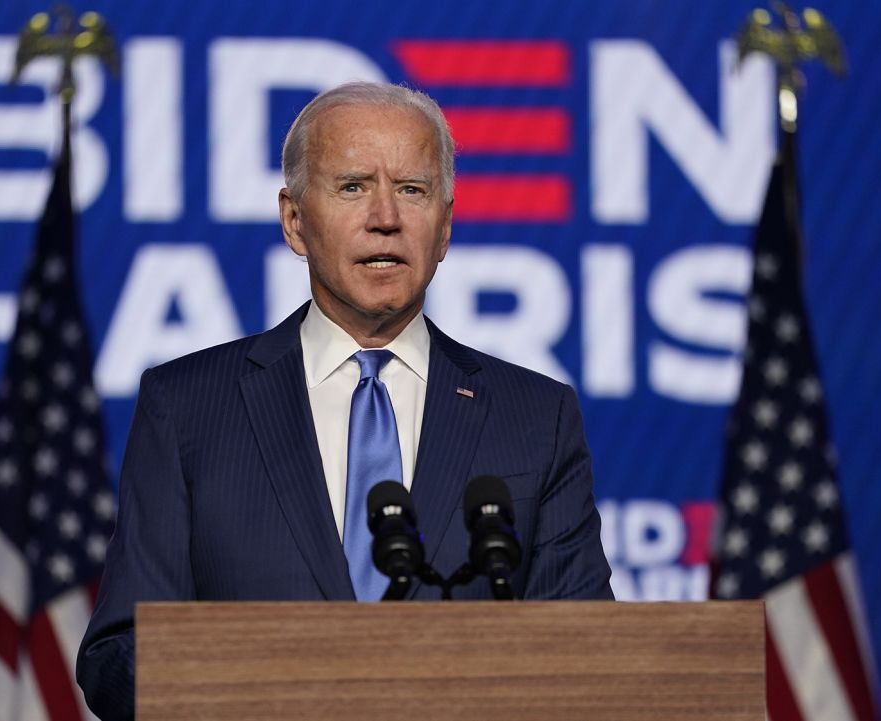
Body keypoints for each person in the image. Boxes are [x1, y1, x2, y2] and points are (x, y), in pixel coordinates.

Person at [76, 81, 613, 719]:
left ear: (444, 226)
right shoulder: (187, 407)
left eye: (412, 190)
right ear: (295, 220)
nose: (384, 216)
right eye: (353, 186)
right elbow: (120, 657)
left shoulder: (535, 417)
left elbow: (588, 663)